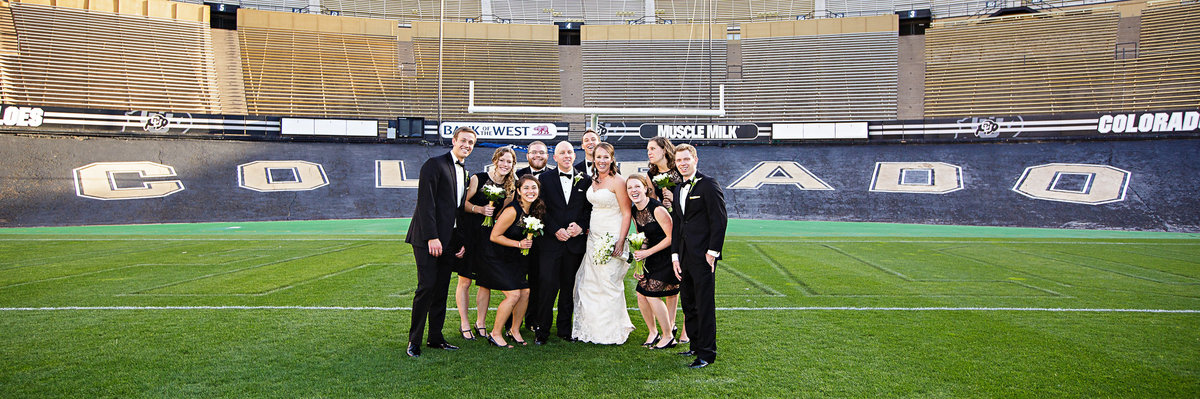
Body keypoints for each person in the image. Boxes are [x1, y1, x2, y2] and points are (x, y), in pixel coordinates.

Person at [404, 126, 476, 357]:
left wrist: (459, 240)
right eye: (463, 140)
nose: (467, 145)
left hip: (449, 241)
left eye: (471, 143)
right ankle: (414, 341)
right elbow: (426, 204)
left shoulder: (464, 171)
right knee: (426, 288)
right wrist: (431, 237)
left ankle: (435, 337)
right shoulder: (433, 165)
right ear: (454, 140)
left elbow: (456, 211)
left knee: (441, 291)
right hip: (428, 239)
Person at [670, 144, 727, 368]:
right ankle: (694, 344)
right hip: (683, 257)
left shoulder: (709, 185)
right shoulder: (677, 188)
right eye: (679, 160)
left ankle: (706, 353)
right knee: (689, 303)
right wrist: (675, 255)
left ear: (695, 159)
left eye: (686, 159)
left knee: (704, 305)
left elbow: (720, 220)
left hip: (703, 257)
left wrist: (712, 253)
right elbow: (677, 225)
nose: (683, 163)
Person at [571, 142, 634, 344]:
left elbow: (626, 213)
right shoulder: (592, 180)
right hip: (593, 236)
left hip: (612, 235)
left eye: (606, 157)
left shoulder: (618, 181)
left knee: (609, 282)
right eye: (599, 157)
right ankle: (591, 329)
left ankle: (611, 331)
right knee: (590, 283)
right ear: (593, 159)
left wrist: (620, 241)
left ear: (612, 159)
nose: (602, 161)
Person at [532, 141, 592, 345]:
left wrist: (581, 226)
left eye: (569, 152)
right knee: (547, 287)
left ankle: (565, 330)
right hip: (550, 243)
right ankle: (542, 330)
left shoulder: (586, 180)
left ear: (574, 156)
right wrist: (555, 229)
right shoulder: (545, 179)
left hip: (574, 245)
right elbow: (540, 208)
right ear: (554, 157)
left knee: (569, 288)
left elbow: (588, 210)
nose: (566, 155)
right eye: (562, 153)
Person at [457, 147, 517, 340]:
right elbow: (462, 204)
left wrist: (497, 218)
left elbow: (504, 214)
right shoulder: (478, 178)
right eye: (502, 160)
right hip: (471, 233)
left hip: (490, 238)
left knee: (485, 282)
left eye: (509, 162)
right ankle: (464, 323)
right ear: (495, 160)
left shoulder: (511, 186)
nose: (505, 165)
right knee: (465, 280)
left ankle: (480, 323)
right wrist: (479, 210)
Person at [479, 174, 544, 348]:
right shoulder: (512, 210)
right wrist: (519, 243)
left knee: (525, 293)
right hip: (496, 258)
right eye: (526, 188)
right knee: (514, 294)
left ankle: (514, 330)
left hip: (514, 260)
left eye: (534, 188)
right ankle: (495, 333)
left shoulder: (533, 209)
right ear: (519, 191)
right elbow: (494, 236)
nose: (531, 191)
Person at [626, 174, 679, 350]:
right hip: (651, 258)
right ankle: (653, 332)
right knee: (641, 293)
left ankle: (668, 336)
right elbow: (644, 237)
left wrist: (647, 252)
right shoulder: (634, 211)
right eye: (629, 187)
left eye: (637, 186)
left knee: (651, 294)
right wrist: (639, 260)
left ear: (645, 188)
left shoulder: (657, 209)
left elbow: (672, 237)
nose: (633, 190)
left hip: (667, 257)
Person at [645, 136, 688, 345]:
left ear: (664, 149)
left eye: (653, 148)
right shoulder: (650, 175)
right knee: (669, 279)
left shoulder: (679, 170)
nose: (649, 152)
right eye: (647, 149)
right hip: (661, 232)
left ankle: (682, 329)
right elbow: (651, 203)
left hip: (681, 228)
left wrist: (672, 200)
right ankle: (669, 325)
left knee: (681, 282)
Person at [513, 140, 549, 329]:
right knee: (516, 279)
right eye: (534, 152)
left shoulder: (552, 175)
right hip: (519, 237)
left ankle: (532, 320)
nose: (538, 155)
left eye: (541, 152)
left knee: (537, 279)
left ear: (547, 155)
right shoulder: (517, 175)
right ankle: (512, 321)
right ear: (527, 155)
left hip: (543, 238)